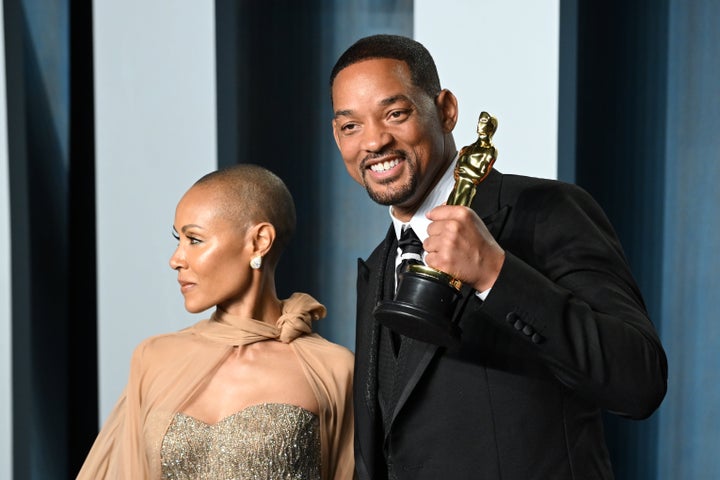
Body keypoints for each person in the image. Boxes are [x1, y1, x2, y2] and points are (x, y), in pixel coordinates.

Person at [329, 34, 667, 479]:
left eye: (395, 113)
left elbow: (638, 382)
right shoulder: (378, 264)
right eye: (350, 126)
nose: (373, 141)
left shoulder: (548, 210)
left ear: (446, 110)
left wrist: (495, 274)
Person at [77, 164, 355, 479]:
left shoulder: (332, 368)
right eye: (178, 239)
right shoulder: (153, 358)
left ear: (259, 242)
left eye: (194, 240)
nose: (175, 259)